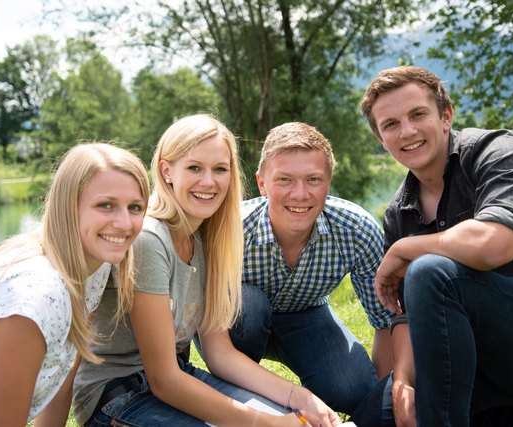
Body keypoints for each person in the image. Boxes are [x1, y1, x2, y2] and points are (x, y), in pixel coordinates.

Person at [73, 114, 345, 427]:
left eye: (220, 169)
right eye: (194, 168)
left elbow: (220, 354)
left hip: (176, 378)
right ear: (167, 171)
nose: (208, 182)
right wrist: (262, 424)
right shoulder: (149, 240)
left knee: (296, 420)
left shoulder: (207, 238)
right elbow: (163, 379)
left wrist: (299, 398)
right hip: (119, 398)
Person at [356, 65, 513, 426]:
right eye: (390, 124)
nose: (407, 131)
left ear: (446, 115)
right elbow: (404, 311)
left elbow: (492, 244)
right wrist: (404, 380)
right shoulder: (398, 212)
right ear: (380, 138)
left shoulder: (501, 151)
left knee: (432, 270)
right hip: (471, 357)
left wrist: (406, 248)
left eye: (418, 114)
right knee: (377, 416)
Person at [0, 142, 150, 426]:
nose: (125, 223)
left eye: (135, 207)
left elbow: (63, 374)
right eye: (106, 205)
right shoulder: (35, 296)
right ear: (68, 207)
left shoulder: (96, 265)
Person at [227, 121, 393, 416]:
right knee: (250, 304)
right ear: (262, 183)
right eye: (285, 180)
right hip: (237, 322)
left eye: (313, 180)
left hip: (305, 314)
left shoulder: (356, 229)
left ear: (329, 182)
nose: (300, 194)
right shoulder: (230, 231)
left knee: (353, 389)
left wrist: (385, 400)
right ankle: (243, 393)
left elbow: (385, 321)